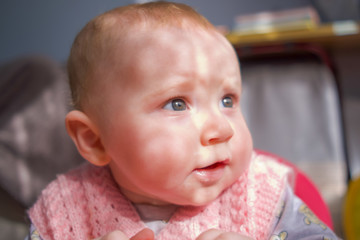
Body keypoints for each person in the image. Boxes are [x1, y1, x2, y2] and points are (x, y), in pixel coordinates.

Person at [27, 2, 339, 240]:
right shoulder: (64, 209)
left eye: (227, 100)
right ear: (94, 140)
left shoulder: (263, 195)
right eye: (177, 104)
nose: (222, 129)